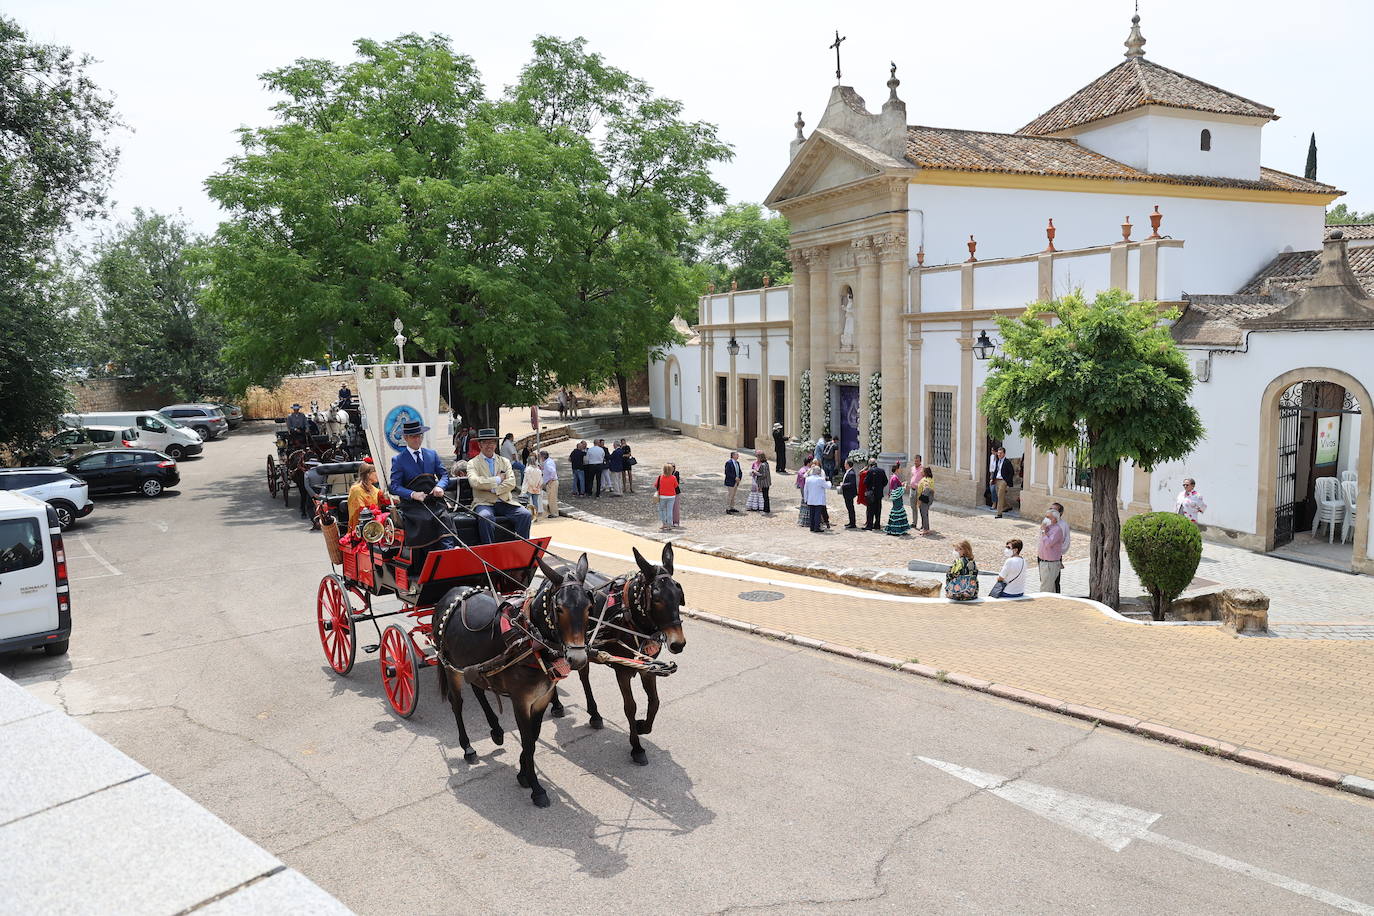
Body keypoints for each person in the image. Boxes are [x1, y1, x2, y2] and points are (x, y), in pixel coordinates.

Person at [467, 428, 532, 544]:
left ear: (496, 444)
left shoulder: (504, 461)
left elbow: (511, 482)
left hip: (504, 501)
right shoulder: (472, 463)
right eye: (485, 442)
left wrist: (494, 488)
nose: (489, 445)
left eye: (491, 442)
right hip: (483, 502)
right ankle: (489, 551)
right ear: (479, 445)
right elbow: (475, 482)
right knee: (485, 517)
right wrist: (498, 479)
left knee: (525, 514)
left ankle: (522, 548)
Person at [347, 461, 392, 532]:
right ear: (368, 474)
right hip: (363, 521)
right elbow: (360, 509)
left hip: (374, 520)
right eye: (375, 472)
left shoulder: (376, 490)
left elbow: (386, 501)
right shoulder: (356, 489)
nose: (378, 474)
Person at [804, 465, 832, 533]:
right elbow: (828, 486)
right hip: (818, 500)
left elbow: (805, 490)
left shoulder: (808, 479)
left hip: (810, 499)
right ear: (818, 472)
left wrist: (805, 498)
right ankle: (816, 527)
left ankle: (812, 527)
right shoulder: (820, 479)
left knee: (812, 514)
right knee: (817, 514)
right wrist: (829, 481)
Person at [885, 464, 911, 536]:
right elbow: (897, 490)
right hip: (897, 498)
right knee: (898, 511)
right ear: (897, 469)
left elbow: (895, 487)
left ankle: (895, 528)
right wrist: (904, 487)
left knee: (896, 511)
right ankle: (896, 529)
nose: (900, 470)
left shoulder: (893, 477)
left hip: (896, 498)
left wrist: (902, 484)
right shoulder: (895, 478)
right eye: (899, 469)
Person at [989, 447, 1015, 518]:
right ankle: (1007, 506)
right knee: (999, 495)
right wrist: (992, 479)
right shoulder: (998, 461)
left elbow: (1011, 472)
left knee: (1000, 496)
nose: (999, 454)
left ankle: (999, 513)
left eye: (1000, 453)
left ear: (1004, 453)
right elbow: (996, 471)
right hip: (997, 480)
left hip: (1003, 481)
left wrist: (1007, 481)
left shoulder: (1007, 462)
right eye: (998, 453)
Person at [863, 458, 886, 531]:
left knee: (870, 510)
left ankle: (869, 525)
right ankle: (877, 525)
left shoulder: (870, 471)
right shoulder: (882, 471)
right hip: (879, 493)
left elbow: (865, 482)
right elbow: (885, 481)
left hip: (871, 494)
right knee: (878, 510)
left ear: (870, 464)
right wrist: (880, 487)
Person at [653, 463, 678, 531]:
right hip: (671, 496)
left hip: (662, 496)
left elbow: (655, 485)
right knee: (670, 511)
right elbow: (676, 486)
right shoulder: (673, 477)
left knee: (662, 510)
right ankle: (669, 525)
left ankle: (664, 524)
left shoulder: (660, 477)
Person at [915, 467, 935, 535]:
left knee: (924, 514)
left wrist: (920, 500)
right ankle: (924, 527)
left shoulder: (926, 480)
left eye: (922, 471)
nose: (921, 472)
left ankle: (926, 529)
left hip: (924, 499)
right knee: (924, 513)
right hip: (927, 499)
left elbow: (926, 490)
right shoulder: (929, 479)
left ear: (925, 472)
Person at [840, 459, 859, 528]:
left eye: (845, 464)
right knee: (849, 508)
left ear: (848, 465)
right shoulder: (849, 472)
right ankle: (851, 522)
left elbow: (852, 483)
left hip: (849, 493)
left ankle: (852, 523)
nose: (844, 465)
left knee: (850, 508)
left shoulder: (851, 473)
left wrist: (843, 485)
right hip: (847, 493)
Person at [540, 450, 559, 519]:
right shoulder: (549, 461)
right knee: (551, 498)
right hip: (552, 482)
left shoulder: (547, 463)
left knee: (552, 499)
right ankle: (553, 512)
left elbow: (553, 472)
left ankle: (554, 513)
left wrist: (550, 480)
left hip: (552, 482)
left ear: (543, 457)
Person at [795, 457, 813, 528]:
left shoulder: (801, 469)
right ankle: (807, 521)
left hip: (802, 488)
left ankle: (803, 520)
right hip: (806, 489)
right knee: (807, 504)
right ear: (809, 462)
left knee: (804, 503)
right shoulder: (807, 470)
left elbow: (798, 482)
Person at [907, 454, 925, 519]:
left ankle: (923, 524)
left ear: (920, 461)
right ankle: (914, 523)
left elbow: (925, 480)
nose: (915, 462)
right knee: (913, 507)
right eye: (915, 461)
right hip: (912, 489)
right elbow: (912, 476)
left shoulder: (923, 469)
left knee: (921, 507)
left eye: (917, 461)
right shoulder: (912, 468)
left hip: (919, 491)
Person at [670, 463, 683, 527]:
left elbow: (676, 483)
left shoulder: (676, 473)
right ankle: (669, 521)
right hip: (668, 493)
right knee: (669, 508)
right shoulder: (665, 473)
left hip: (676, 492)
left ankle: (676, 522)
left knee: (676, 508)